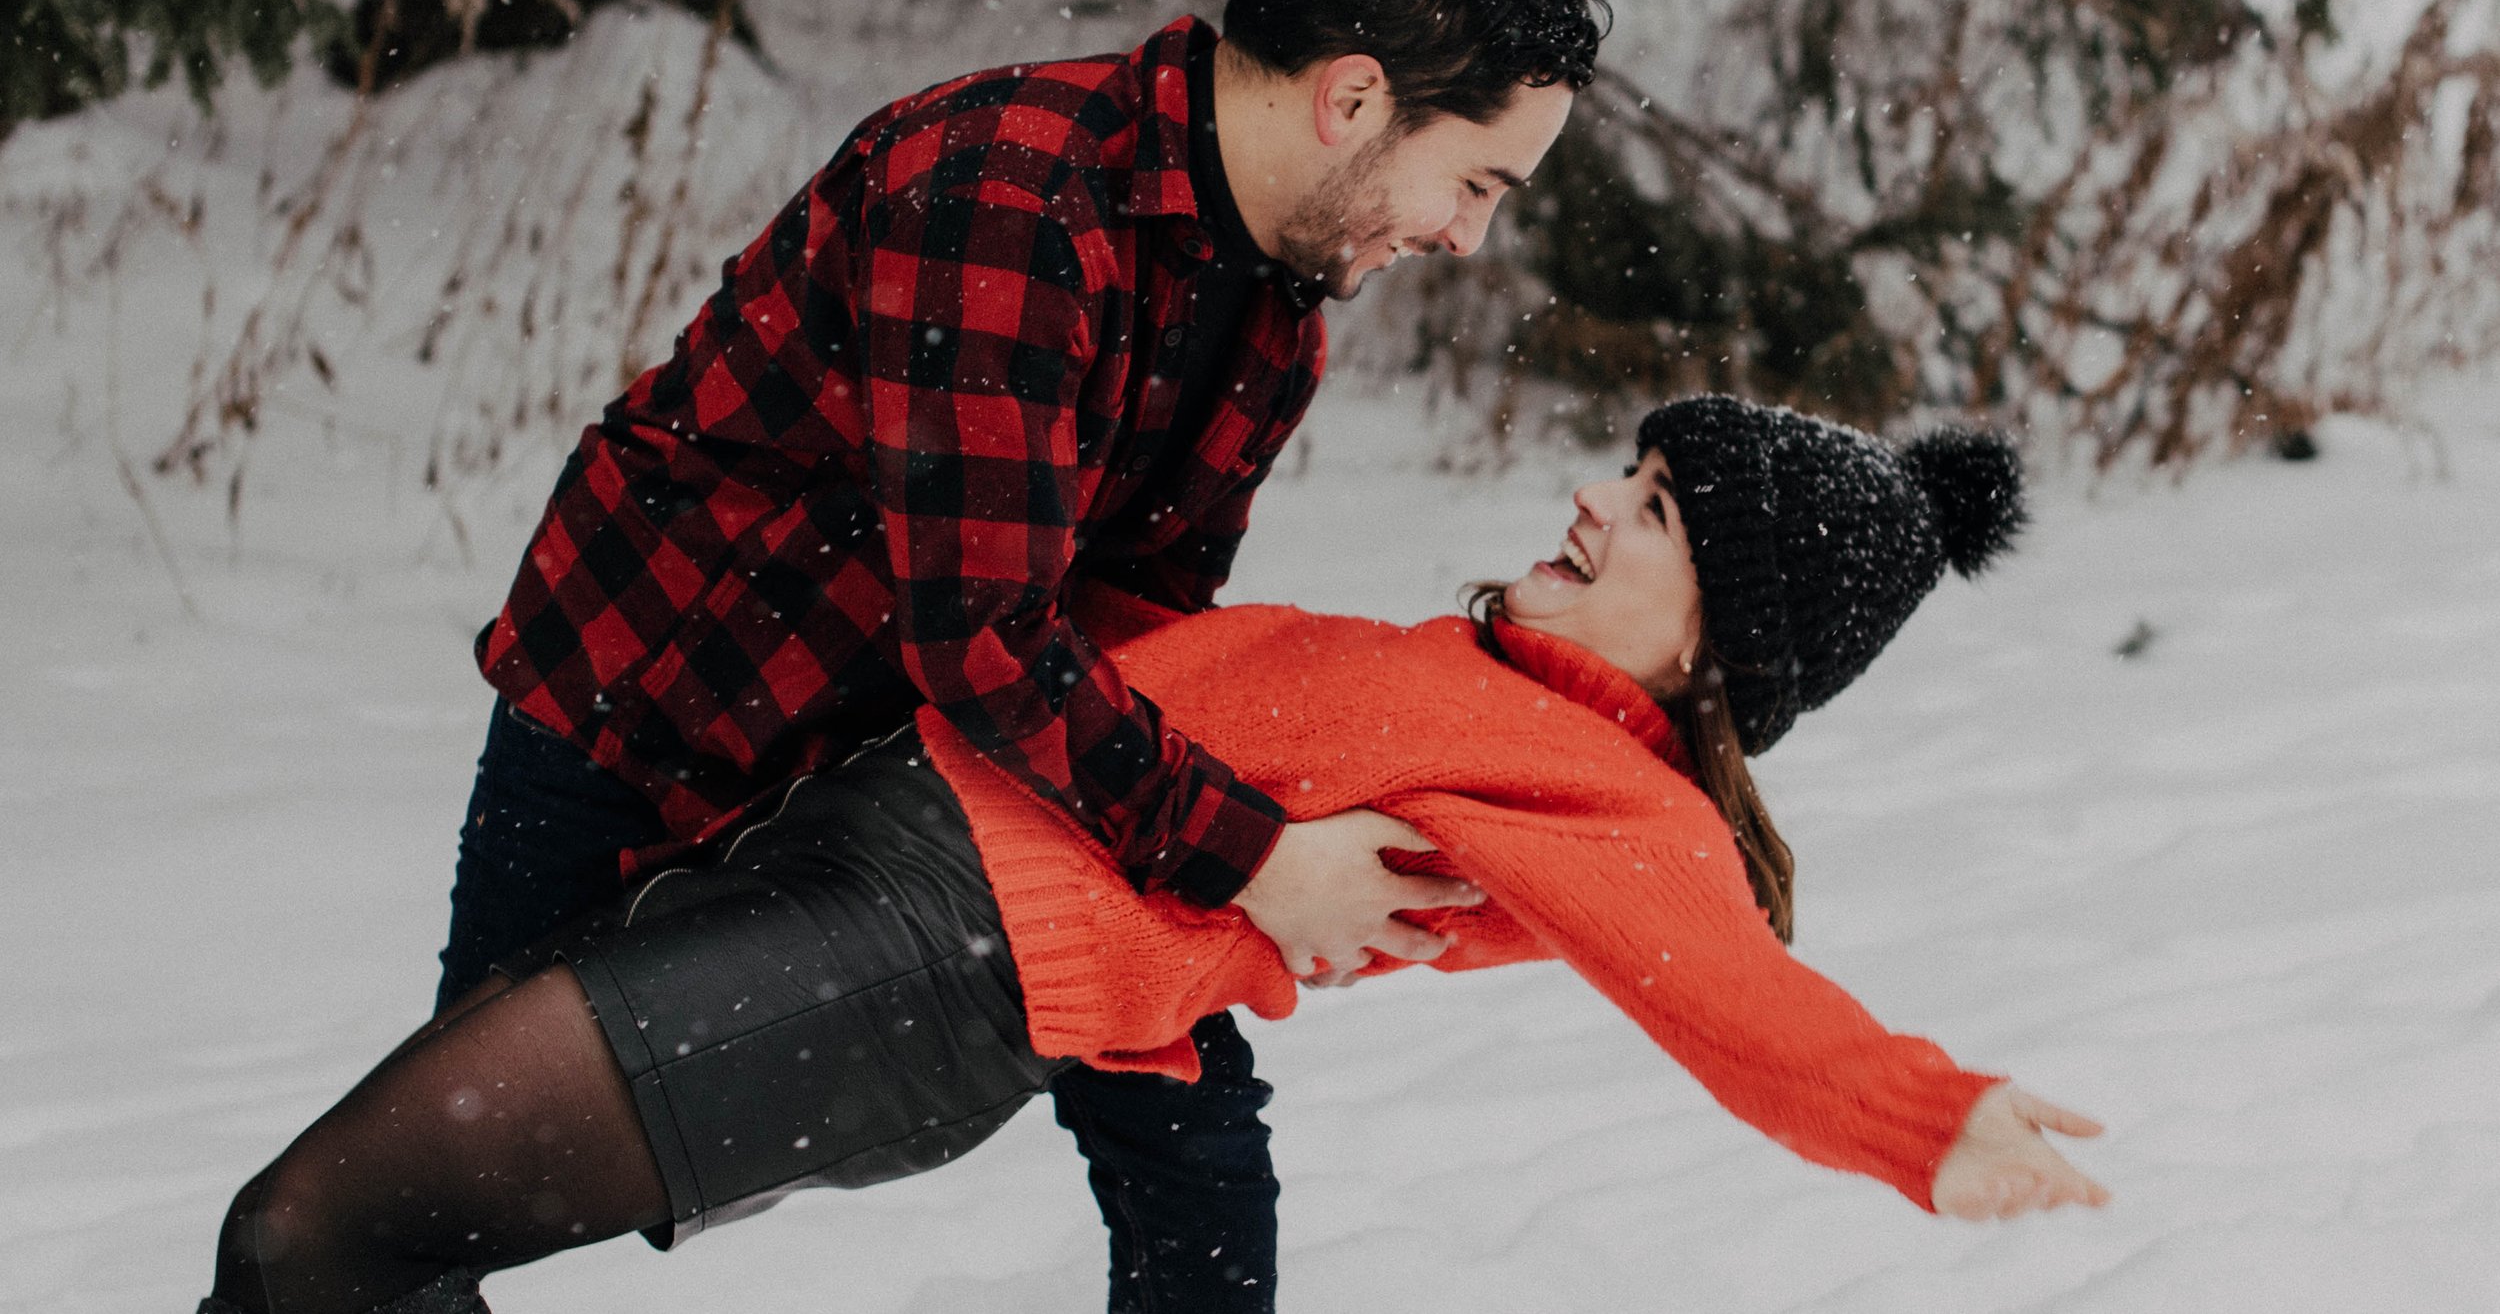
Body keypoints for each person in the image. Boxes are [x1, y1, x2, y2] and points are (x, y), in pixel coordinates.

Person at [204, 394, 2111, 1314]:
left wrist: (1924, 1120)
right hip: (866, 868)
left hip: (919, 965)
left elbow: (1730, 994)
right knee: (368, 1251)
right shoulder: (1483, 679)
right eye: (1633, 466)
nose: (1597, 497)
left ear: (1724, 646)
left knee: (313, 1235)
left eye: (1661, 507)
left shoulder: (1614, 802)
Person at [425, 0, 1604, 1313]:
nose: (1468, 236)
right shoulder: (1006, 190)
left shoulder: (1275, 317)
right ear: (1352, 99)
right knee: (438, 1191)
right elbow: (983, 638)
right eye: (1478, 180)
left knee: (1193, 1137)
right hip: (647, 719)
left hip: (941, 763)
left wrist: (1240, 847)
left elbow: (1140, 640)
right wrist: (1253, 859)